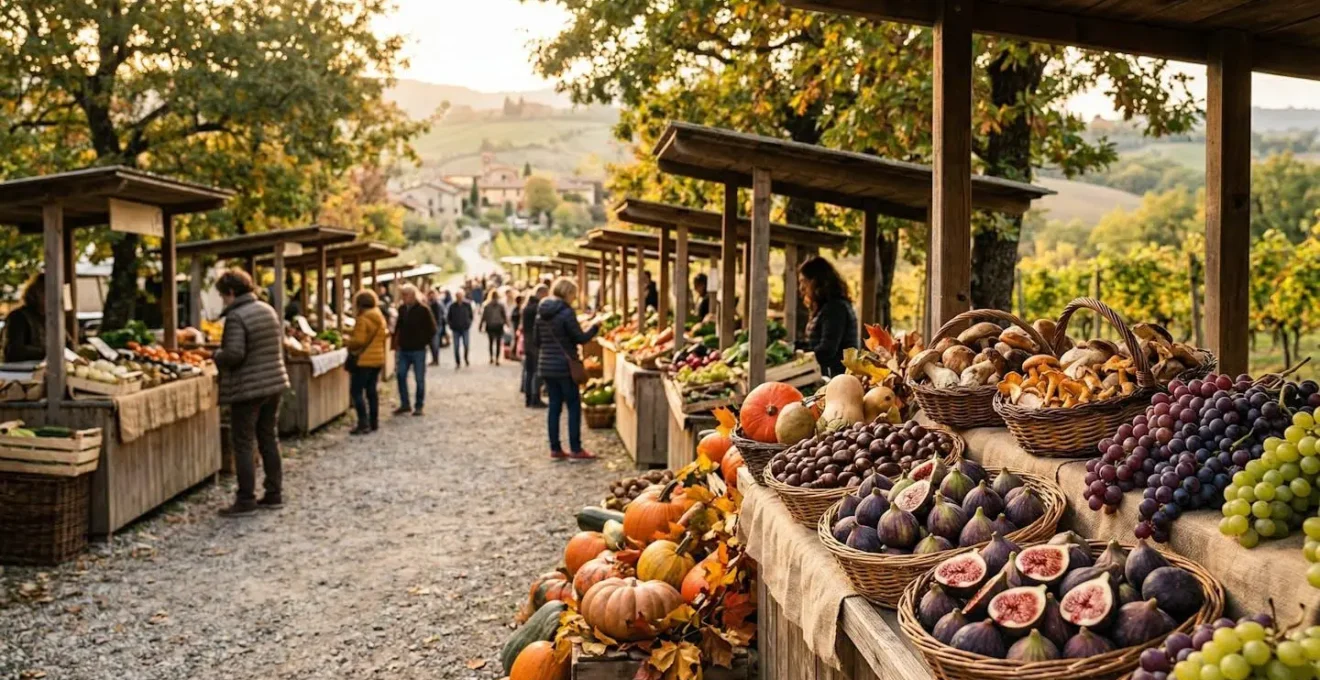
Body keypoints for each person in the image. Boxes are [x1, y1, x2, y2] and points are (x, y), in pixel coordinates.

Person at [212, 269, 290, 516]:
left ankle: (246, 498)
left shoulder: (237, 316)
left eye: (223, 295)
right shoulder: (267, 310)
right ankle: (274, 493)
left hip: (248, 388)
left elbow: (234, 354)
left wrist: (216, 356)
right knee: (268, 437)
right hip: (274, 382)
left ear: (232, 292)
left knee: (243, 442)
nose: (223, 300)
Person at [536, 278, 600, 461]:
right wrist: (595, 327)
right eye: (573, 294)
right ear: (568, 293)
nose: (574, 298)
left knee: (554, 407)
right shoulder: (566, 312)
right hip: (565, 367)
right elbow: (580, 338)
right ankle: (575, 448)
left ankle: (555, 449)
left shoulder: (541, 312)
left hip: (546, 365)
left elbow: (536, 340)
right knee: (573, 406)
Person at [796, 256, 859, 378]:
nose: (801, 288)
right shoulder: (826, 307)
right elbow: (814, 344)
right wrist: (793, 347)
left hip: (837, 377)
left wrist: (801, 358)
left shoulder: (835, 308)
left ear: (815, 282)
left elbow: (827, 350)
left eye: (804, 281)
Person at [345, 289, 388, 434]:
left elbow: (359, 341)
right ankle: (374, 421)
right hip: (377, 358)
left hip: (364, 360)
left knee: (356, 391)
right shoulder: (379, 316)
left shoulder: (363, 318)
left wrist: (348, 341)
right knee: (371, 391)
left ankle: (363, 422)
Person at [393, 284, 437, 416]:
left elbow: (432, 328)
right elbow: (398, 327)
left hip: (418, 349)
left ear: (412, 295)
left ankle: (419, 405)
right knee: (400, 375)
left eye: (405, 295)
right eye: (403, 295)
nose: (403, 298)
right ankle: (405, 403)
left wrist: (423, 341)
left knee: (419, 379)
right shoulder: (402, 309)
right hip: (404, 349)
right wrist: (397, 342)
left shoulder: (423, 310)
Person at [1, 273, 46, 362]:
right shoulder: (18, 317)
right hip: (21, 373)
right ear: (36, 293)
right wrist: (49, 351)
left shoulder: (51, 318)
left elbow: (69, 344)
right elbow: (14, 351)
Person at [521, 284, 548, 407]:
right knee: (536, 371)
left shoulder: (527, 306)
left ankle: (528, 397)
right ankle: (534, 398)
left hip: (527, 341)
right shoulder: (537, 307)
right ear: (542, 293)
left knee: (529, 370)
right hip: (535, 342)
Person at [479, 289, 510, 366]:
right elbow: (504, 315)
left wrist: (480, 325)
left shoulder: (486, 305)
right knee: (498, 343)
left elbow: (484, 316)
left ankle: (491, 357)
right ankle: (497, 358)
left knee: (491, 342)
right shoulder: (501, 305)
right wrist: (507, 323)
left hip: (490, 325)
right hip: (499, 325)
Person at [447, 289, 474, 368]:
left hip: (465, 328)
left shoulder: (467, 305)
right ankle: (457, 361)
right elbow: (449, 317)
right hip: (455, 329)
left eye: (460, 296)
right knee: (456, 347)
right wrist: (451, 325)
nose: (459, 297)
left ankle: (466, 358)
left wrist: (468, 323)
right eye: (458, 296)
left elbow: (471, 316)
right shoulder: (452, 306)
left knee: (466, 345)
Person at [427, 288, 446, 367]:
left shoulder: (437, 304)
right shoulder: (429, 304)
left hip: (436, 326)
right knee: (432, 344)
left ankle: (436, 359)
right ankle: (434, 359)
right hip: (430, 327)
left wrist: (438, 326)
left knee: (435, 344)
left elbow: (440, 316)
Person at [510, 294, 524, 358]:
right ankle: (513, 354)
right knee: (515, 340)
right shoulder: (516, 308)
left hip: (516, 326)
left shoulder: (518, 308)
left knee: (516, 340)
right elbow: (513, 317)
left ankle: (514, 353)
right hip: (515, 326)